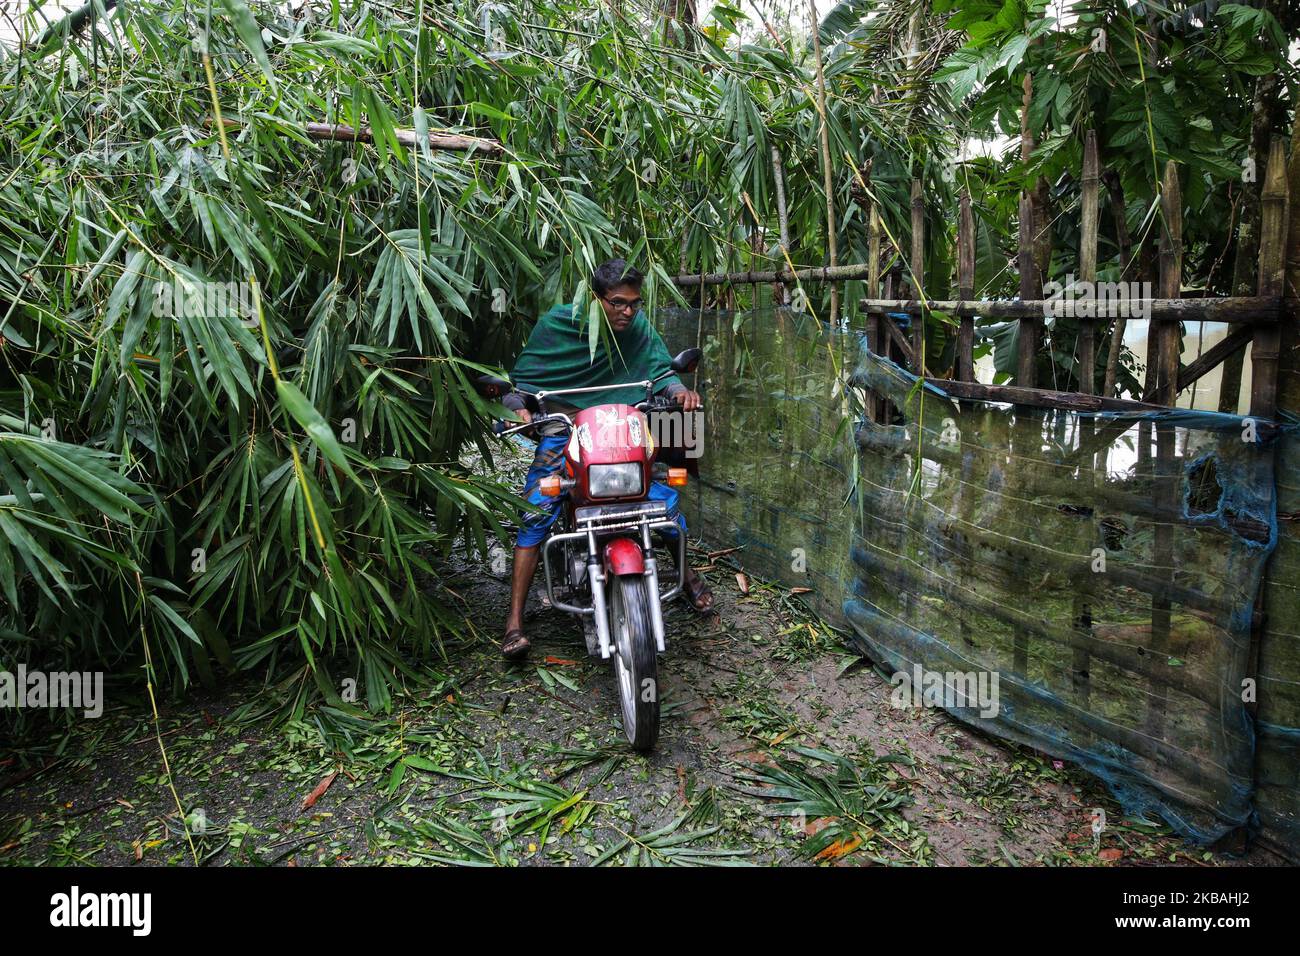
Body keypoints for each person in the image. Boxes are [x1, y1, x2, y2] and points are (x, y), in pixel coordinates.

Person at [497, 259, 714, 660]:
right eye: (617, 303)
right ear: (595, 299)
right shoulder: (558, 324)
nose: (628, 311)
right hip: (566, 426)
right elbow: (521, 383)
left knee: (661, 502)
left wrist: (679, 390)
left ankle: (686, 577)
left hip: (624, 423)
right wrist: (517, 407)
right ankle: (514, 621)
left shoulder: (638, 328)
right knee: (536, 511)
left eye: (634, 303)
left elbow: (661, 372)